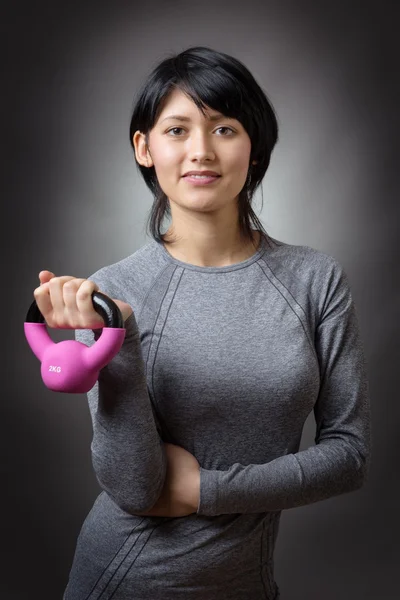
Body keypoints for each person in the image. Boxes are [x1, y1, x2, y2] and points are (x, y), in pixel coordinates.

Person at [34, 46, 371, 600]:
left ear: (254, 146)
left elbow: (349, 455)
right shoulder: (113, 293)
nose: (200, 151)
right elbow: (135, 488)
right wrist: (117, 341)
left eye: (224, 128)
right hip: (125, 580)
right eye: (176, 130)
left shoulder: (315, 279)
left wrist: (204, 490)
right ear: (144, 148)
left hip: (248, 584)